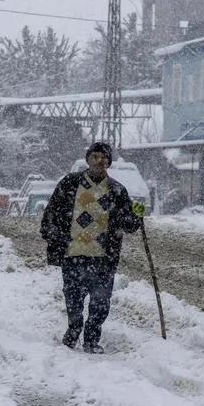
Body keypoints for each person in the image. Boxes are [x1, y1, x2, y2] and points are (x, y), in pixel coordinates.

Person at [40, 142, 146, 353]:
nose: (99, 161)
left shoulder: (116, 191)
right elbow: (50, 215)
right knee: (73, 300)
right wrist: (54, 237)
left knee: (100, 303)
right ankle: (72, 332)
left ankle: (91, 339)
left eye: (104, 158)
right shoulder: (70, 184)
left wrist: (137, 214)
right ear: (87, 160)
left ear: (109, 162)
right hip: (73, 255)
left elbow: (129, 224)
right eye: (95, 157)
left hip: (103, 258)